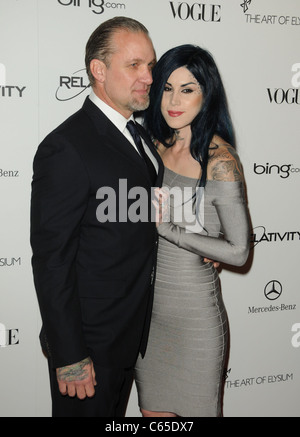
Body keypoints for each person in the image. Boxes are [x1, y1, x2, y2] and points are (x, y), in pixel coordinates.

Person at [30, 17, 164, 417]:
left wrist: (200, 244)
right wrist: (70, 355)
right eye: (135, 65)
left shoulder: (137, 135)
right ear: (99, 70)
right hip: (89, 348)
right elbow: (52, 261)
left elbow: (140, 220)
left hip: (131, 335)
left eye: (151, 66)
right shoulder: (67, 146)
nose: (148, 77)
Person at [134, 44, 250, 417]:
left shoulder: (220, 161)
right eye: (167, 87)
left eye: (188, 89)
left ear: (207, 93)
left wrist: (172, 231)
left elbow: (239, 251)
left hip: (194, 316)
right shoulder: (150, 146)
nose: (174, 100)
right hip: (147, 318)